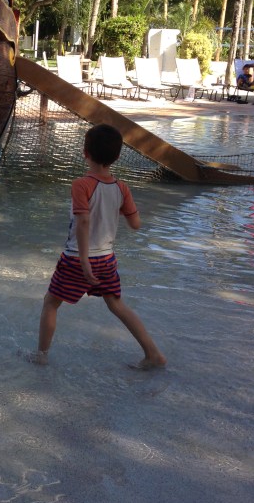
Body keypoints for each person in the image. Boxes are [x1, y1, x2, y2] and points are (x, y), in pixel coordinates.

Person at [28, 123, 167, 371]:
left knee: (51, 303)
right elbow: (135, 224)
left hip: (77, 259)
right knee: (116, 304)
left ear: (85, 153)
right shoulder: (121, 187)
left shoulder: (81, 184)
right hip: (107, 258)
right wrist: (122, 207)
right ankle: (153, 354)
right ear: (116, 157)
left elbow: (83, 221)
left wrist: (83, 261)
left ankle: (41, 356)